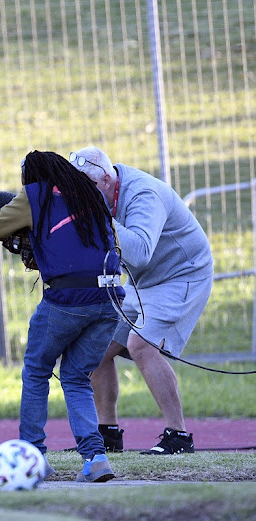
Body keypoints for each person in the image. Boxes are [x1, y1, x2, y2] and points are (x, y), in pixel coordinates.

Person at [0, 150, 124, 482]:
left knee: (37, 371)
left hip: (67, 298)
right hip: (110, 299)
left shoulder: (35, 194)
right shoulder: (89, 193)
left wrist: (11, 212)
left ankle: (32, 455)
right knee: (75, 376)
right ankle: (96, 458)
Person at [70, 145, 213, 455]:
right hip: (144, 281)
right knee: (95, 346)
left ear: (106, 180)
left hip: (182, 275)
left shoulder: (143, 194)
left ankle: (179, 436)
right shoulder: (103, 195)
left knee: (141, 344)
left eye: (87, 189)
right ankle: (106, 434)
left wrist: (99, 219)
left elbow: (140, 253)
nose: (80, 197)